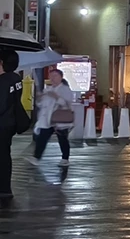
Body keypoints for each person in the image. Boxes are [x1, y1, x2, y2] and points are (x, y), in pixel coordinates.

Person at [31, 67, 78, 168]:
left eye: (55, 76)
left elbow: (66, 104)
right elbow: (41, 105)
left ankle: (65, 158)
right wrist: (39, 98)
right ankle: (36, 157)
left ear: (61, 77)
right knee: (42, 138)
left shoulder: (65, 89)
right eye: (51, 76)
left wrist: (56, 97)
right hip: (47, 119)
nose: (52, 78)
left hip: (60, 119)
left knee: (62, 139)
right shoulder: (48, 89)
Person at [0, 50, 28, 200]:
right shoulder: (16, 78)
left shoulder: (3, 81)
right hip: (10, 122)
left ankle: (3, 188)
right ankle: (5, 187)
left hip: (2, 123)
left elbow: (1, 104)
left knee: (2, 157)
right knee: (5, 155)